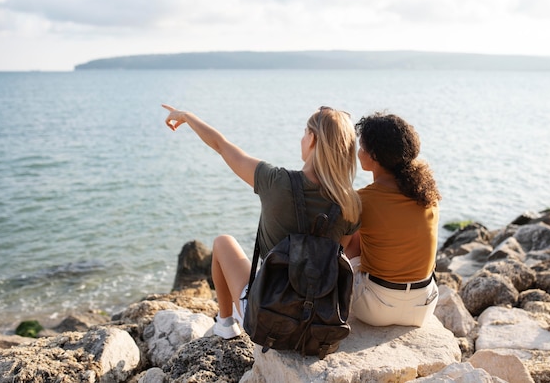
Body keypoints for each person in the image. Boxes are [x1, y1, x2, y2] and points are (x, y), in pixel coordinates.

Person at [162, 104, 361, 339]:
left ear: (313, 139)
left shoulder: (275, 181)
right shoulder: (351, 203)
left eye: (304, 133)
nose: (301, 139)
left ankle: (225, 325)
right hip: (318, 319)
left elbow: (222, 146)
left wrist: (188, 116)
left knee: (222, 242)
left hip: (269, 314)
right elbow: (340, 254)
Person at [345, 112, 441, 327]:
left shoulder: (363, 199)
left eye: (362, 148)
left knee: (351, 238)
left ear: (375, 156)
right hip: (423, 306)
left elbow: (340, 250)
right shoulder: (428, 194)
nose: (359, 153)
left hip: (376, 309)